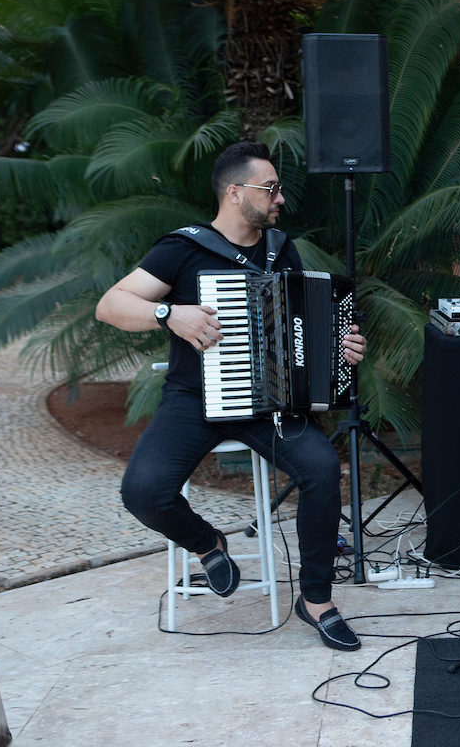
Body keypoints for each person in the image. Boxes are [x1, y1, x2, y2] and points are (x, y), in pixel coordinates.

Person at [96, 141, 366, 651]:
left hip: (269, 405)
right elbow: (110, 305)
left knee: (323, 468)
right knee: (143, 491)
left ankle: (316, 600)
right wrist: (168, 314)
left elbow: (301, 325)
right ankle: (208, 543)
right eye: (271, 189)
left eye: (278, 189)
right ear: (235, 192)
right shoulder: (182, 249)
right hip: (193, 401)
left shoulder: (279, 248)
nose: (280, 198)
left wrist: (341, 349)